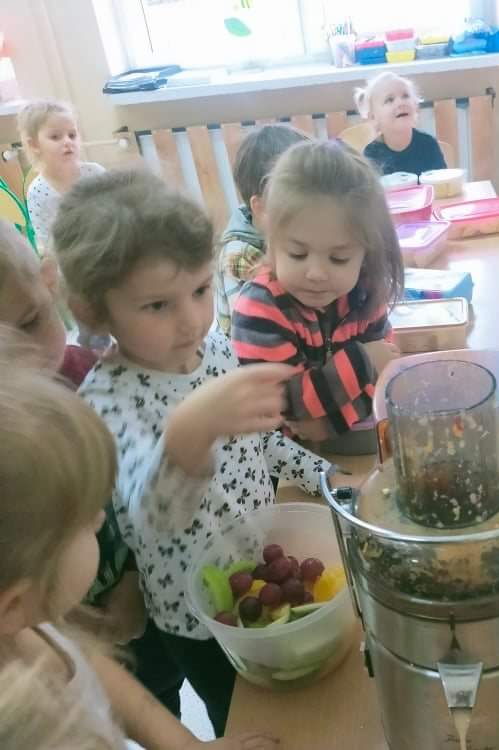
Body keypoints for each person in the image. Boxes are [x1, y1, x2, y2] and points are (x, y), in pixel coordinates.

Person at [53, 167, 332, 738]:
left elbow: (261, 439)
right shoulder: (106, 400)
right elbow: (152, 516)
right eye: (157, 305)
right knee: (249, 722)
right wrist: (189, 434)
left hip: (262, 561)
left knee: (305, 703)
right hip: (198, 618)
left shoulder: (218, 348)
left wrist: (326, 478)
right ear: (96, 311)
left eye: (201, 291)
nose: (191, 321)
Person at [0, 340, 275, 750]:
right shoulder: (34, 730)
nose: (101, 519)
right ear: (13, 603)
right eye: (86, 521)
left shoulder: (31, 628)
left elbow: (94, 669)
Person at [0, 219, 185, 716]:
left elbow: (136, 490)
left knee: (162, 687)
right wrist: (62, 617)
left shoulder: (98, 377)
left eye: (29, 322)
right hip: (63, 625)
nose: (24, 357)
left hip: (144, 591)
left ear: (49, 282)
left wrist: (132, 579)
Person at [231, 140, 403, 442]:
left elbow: (387, 370)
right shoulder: (260, 308)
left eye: (339, 258)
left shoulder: (364, 291)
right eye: (297, 254)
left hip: (348, 441)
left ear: (366, 254)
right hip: (283, 459)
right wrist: (364, 362)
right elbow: (287, 406)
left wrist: (330, 422)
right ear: (272, 239)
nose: (316, 274)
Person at [216, 123, 310, 335]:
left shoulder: (275, 229)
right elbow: (256, 329)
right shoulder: (239, 255)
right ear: (261, 207)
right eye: (299, 201)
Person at [18, 99, 105, 249]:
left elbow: (118, 212)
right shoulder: (38, 192)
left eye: (72, 135)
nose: (67, 142)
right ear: (34, 145)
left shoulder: (95, 173)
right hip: (72, 256)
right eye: (55, 137)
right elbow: (48, 241)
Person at [355, 72, 446, 176]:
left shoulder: (429, 145)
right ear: (373, 117)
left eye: (405, 96)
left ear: (415, 105)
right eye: (389, 100)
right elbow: (369, 187)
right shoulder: (371, 154)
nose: (400, 103)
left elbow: (442, 183)